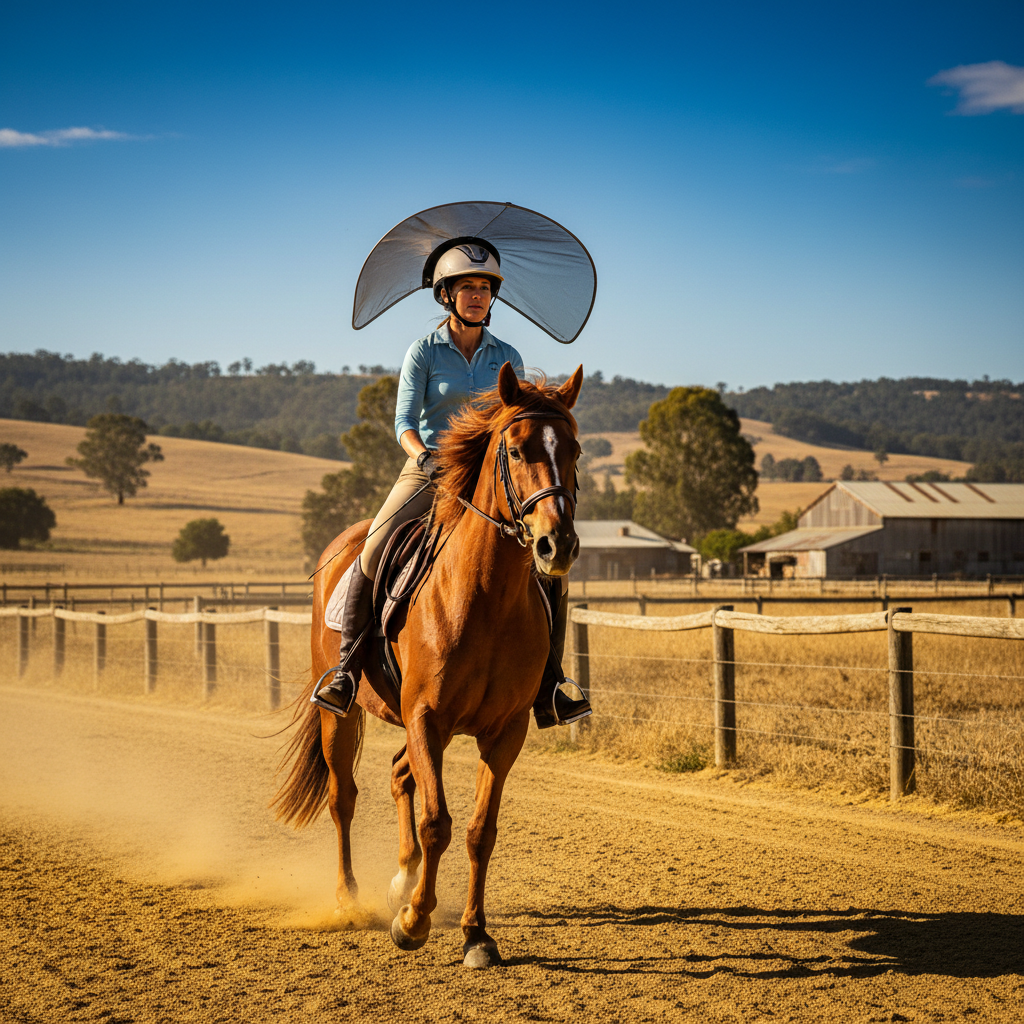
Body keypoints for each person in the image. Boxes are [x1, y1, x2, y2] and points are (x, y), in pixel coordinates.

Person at [315, 242, 592, 728]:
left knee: (550, 573)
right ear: (446, 295)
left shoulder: (507, 356)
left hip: (492, 481)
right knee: (373, 548)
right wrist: (423, 456)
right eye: (467, 287)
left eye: (485, 288)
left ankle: (551, 683)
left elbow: (518, 425)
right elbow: (403, 421)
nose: (477, 296)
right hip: (428, 471)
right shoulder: (424, 351)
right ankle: (344, 668)